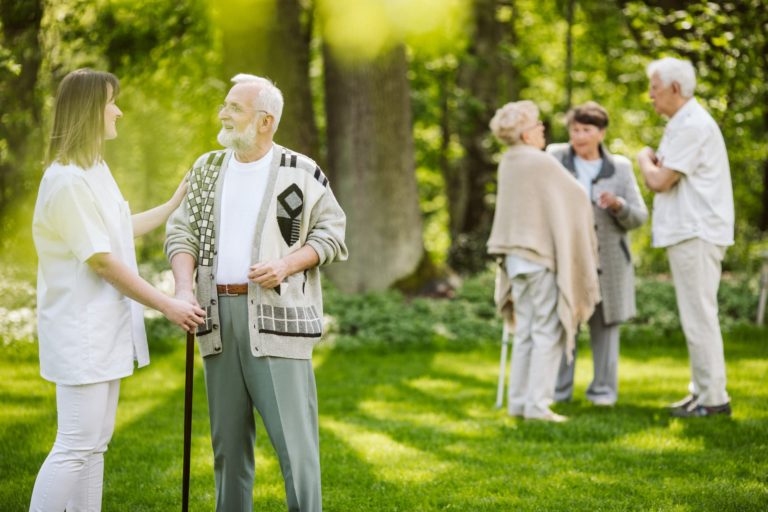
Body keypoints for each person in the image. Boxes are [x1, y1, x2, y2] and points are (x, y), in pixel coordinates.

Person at [166, 74, 347, 511]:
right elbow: (181, 232)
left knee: (296, 449)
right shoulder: (206, 168)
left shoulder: (301, 172)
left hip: (277, 319)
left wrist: (285, 264)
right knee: (228, 449)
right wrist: (184, 288)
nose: (223, 114)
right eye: (225, 105)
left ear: (266, 121)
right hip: (215, 319)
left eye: (235, 108)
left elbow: (332, 235)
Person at [29, 69, 206, 511]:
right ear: (91, 110)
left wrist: (173, 204)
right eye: (111, 103)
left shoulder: (95, 170)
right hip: (80, 333)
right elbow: (102, 260)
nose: (119, 111)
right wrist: (167, 304)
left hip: (104, 329)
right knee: (75, 446)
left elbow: (118, 230)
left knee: (95, 446)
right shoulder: (66, 181)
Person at [487, 100, 600, 423]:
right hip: (539, 257)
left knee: (524, 331)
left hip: (515, 260)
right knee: (546, 331)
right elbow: (577, 196)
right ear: (525, 134)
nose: (542, 130)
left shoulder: (508, 161)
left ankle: (518, 402)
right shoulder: (540, 161)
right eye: (537, 125)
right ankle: (537, 405)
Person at [637, 57, 734, 418]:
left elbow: (660, 180)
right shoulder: (682, 123)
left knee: (699, 317)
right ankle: (701, 392)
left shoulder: (693, 124)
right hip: (690, 232)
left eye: (655, 88)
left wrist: (643, 158)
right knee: (694, 316)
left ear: (675, 88)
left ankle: (713, 400)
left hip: (697, 232)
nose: (651, 96)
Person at [547, 102, 648, 406]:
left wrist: (618, 205)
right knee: (564, 322)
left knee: (606, 326)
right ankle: (558, 391)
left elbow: (639, 217)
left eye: (586, 130)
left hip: (609, 262)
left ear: (601, 133)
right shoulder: (555, 158)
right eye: (575, 129)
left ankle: (603, 392)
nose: (579, 136)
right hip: (567, 258)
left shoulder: (620, 167)